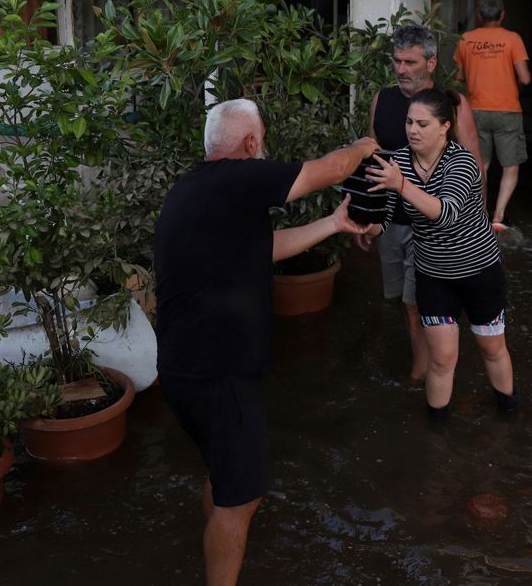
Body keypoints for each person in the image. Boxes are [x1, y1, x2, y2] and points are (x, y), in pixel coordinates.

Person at [154, 98, 378, 586]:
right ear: (252, 142)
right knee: (242, 498)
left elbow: (261, 250)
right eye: (263, 141)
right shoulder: (239, 178)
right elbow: (334, 168)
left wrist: (334, 224)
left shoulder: (196, 189)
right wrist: (365, 146)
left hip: (184, 367)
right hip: (219, 372)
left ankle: (214, 555)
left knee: (224, 478)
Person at [360, 86, 516, 420]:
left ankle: (508, 411)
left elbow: (445, 214)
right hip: (433, 275)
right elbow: (386, 218)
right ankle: (436, 431)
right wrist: (364, 226)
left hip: (479, 273)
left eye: (422, 124)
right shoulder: (399, 161)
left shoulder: (462, 162)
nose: (412, 130)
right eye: (409, 122)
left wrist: (401, 184)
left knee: (491, 349)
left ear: (445, 126)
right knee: (441, 358)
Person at [364, 24, 481, 382]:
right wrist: (364, 217)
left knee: (419, 303)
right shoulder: (382, 100)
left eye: (410, 62)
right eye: (397, 61)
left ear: (430, 63)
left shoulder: (453, 104)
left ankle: (423, 376)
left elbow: (473, 166)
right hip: (390, 223)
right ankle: (426, 364)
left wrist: (477, 227)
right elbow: (373, 158)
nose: (401, 69)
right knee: (404, 302)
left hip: (434, 224)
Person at [453, 0, 531, 231]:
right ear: (502, 15)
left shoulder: (465, 39)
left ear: (479, 15)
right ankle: (498, 217)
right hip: (507, 110)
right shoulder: (512, 39)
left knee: (480, 164)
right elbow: (525, 78)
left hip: (475, 110)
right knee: (510, 165)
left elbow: (458, 77)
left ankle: (479, 214)